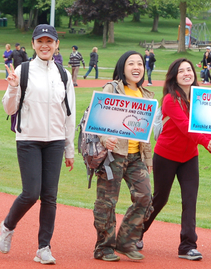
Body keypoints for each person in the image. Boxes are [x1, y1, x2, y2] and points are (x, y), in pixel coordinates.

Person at [0, 24, 76, 265]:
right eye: (40, 41)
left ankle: (44, 247)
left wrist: (69, 148)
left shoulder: (63, 75)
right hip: (28, 140)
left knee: (50, 196)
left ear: (56, 45)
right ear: (33, 44)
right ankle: (8, 226)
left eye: (49, 41)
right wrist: (12, 88)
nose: (45, 45)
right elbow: (9, 109)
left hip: (54, 142)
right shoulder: (22, 71)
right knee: (31, 193)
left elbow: (69, 114)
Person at [137, 58, 211, 261]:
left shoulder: (201, 99)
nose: (186, 73)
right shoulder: (170, 99)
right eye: (181, 71)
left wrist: (210, 141)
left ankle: (187, 245)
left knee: (190, 200)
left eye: (189, 69)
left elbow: (205, 125)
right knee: (160, 198)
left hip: (190, 157)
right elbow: (186, 126)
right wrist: (205, 142)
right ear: (174, 76)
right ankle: (136, 232)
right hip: (166, 155)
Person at [93, 50, 153, 262]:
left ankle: (126, 241)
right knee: (107, 202)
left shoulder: (147, 95)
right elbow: (97, 118)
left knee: (145, 197)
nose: (136, 67)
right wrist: (103, 139)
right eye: (131, 64)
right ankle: (104, 246)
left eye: (139, 63)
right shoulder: (112, 88)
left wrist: (148, 160)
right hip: (114, 155)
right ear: (122, 67)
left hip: (136, 156)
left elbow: (147, 132)